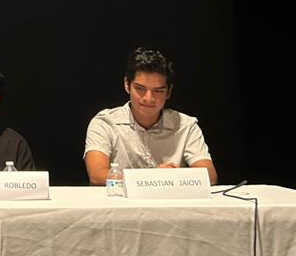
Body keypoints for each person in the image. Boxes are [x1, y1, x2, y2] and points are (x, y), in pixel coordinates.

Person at [84, 48, 217, 185]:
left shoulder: (186, 125)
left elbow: (210, 176)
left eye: (158, 91)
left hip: (171, 199)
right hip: (120, 199)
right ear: (127, 85)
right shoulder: (105, 123)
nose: (148, 98)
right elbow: (97, 175)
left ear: (168, 92)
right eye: (140, 89)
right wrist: (153, 176)